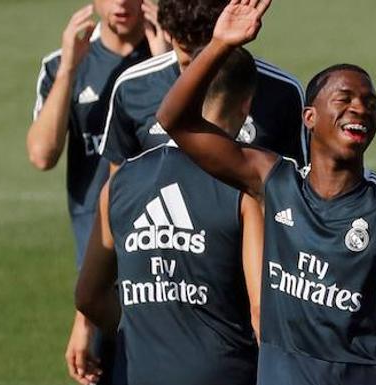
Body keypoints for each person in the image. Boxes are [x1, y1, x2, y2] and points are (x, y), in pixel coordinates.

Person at [156, 1, 376, 384]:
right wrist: (219, 45)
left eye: (370, 104)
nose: (360, 109)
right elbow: (174, 120)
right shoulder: (274, 181)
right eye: (344, 99)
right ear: (309, 117)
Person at [75, 47, 263, 385]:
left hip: (137, 373)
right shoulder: (242, 191)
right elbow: (261, 311)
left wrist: (138, 324)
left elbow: (88, 295)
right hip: (225, 372)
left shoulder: (118, 184)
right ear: (246, 106)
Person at [26, 1, 170, 384]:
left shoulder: (175, 59)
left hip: (164, 254)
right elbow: (41, 154)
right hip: (98, 262)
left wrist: (165, 62)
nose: (122, 2)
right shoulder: (64, 63)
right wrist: (71, 69)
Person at [98, 0, 307, 175]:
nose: (199, 65)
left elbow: (299, 190)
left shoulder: (283, 91)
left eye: (210, 52)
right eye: (188, 53)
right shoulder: (133, 87)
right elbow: (118, 189)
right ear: (168, 34)